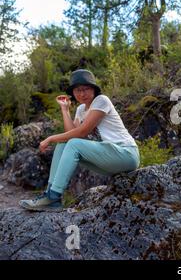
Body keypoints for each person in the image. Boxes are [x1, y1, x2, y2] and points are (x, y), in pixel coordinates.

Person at [19, 69, 140, 212]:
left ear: (94, 90)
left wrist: (50, 138)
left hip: (126, 154)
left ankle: (53, 195)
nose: (82, 94)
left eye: (86, 89)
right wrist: (65, 110)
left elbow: (81, 132)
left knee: (73, 144)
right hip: (110, 159)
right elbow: (72, 134)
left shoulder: (101, 101)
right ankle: (51, 196)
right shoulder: (81, 109)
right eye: (78, 90)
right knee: (64, 143)